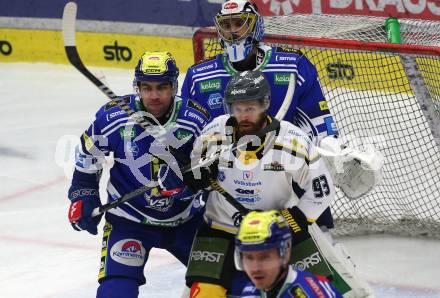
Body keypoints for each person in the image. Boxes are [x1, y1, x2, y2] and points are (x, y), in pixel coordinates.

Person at [181, 0, 337, 229]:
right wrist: (193, 164)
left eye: (239, 23)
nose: (232, 31)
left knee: (313, 252)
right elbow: (189, 134)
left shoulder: (293, 65)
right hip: (230, 183)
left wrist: (329, 152)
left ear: (255, 27)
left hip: (284, 179)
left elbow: (317, 122)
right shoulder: (199, 76)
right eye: (227, 24)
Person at [66, 51, 210, 298]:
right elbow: (88, 159)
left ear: (174, 86)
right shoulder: (112, 117)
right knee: (115, 292)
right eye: (147, 87)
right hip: (129, 221)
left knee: (224, 287)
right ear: (138, 87)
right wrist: (83, 196)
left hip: (187, 221)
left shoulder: (196, 119)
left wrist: (188, 183)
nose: (154, 95)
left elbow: (213, 173)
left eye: (162, 87)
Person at [180, 70, 335, 297]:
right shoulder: (214, 133)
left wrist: (296, 219)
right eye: (237, 109)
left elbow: (322, 190)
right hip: (221, 228)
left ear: (265, 105)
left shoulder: (292, 141)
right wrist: (196, 177)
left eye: (250, 108)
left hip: (276, 232)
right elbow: (195, 174)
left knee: (317, 290)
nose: (243, 116)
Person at [235, 210, 343, 298]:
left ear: (285, 254)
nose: (255, 268)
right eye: (248, 257)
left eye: (265, 257)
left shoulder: (310, 293)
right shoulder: (251, 290)